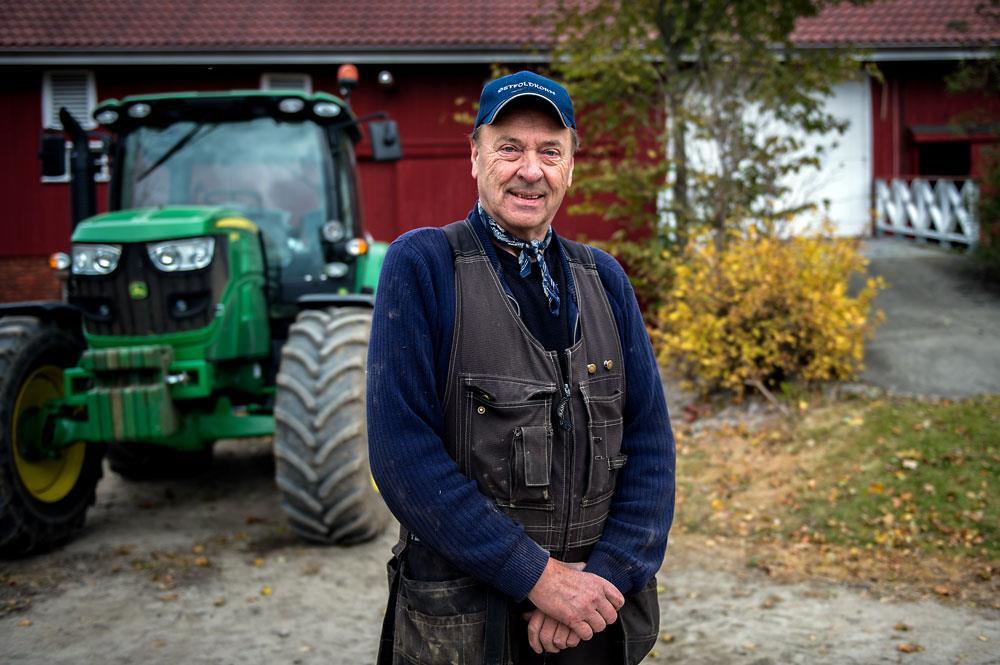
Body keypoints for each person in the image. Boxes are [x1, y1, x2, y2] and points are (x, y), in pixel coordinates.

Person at [367, 70, 675, 665]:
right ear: (475, 156)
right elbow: (402, 456)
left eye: (549, 151)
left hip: (591, 621)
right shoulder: (424, 266)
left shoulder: (605, 279)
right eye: (510, 148)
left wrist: (598, 586)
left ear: (570, 166)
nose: (530, 169)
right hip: (464, 620)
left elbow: (651, 449)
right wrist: (540, 579)